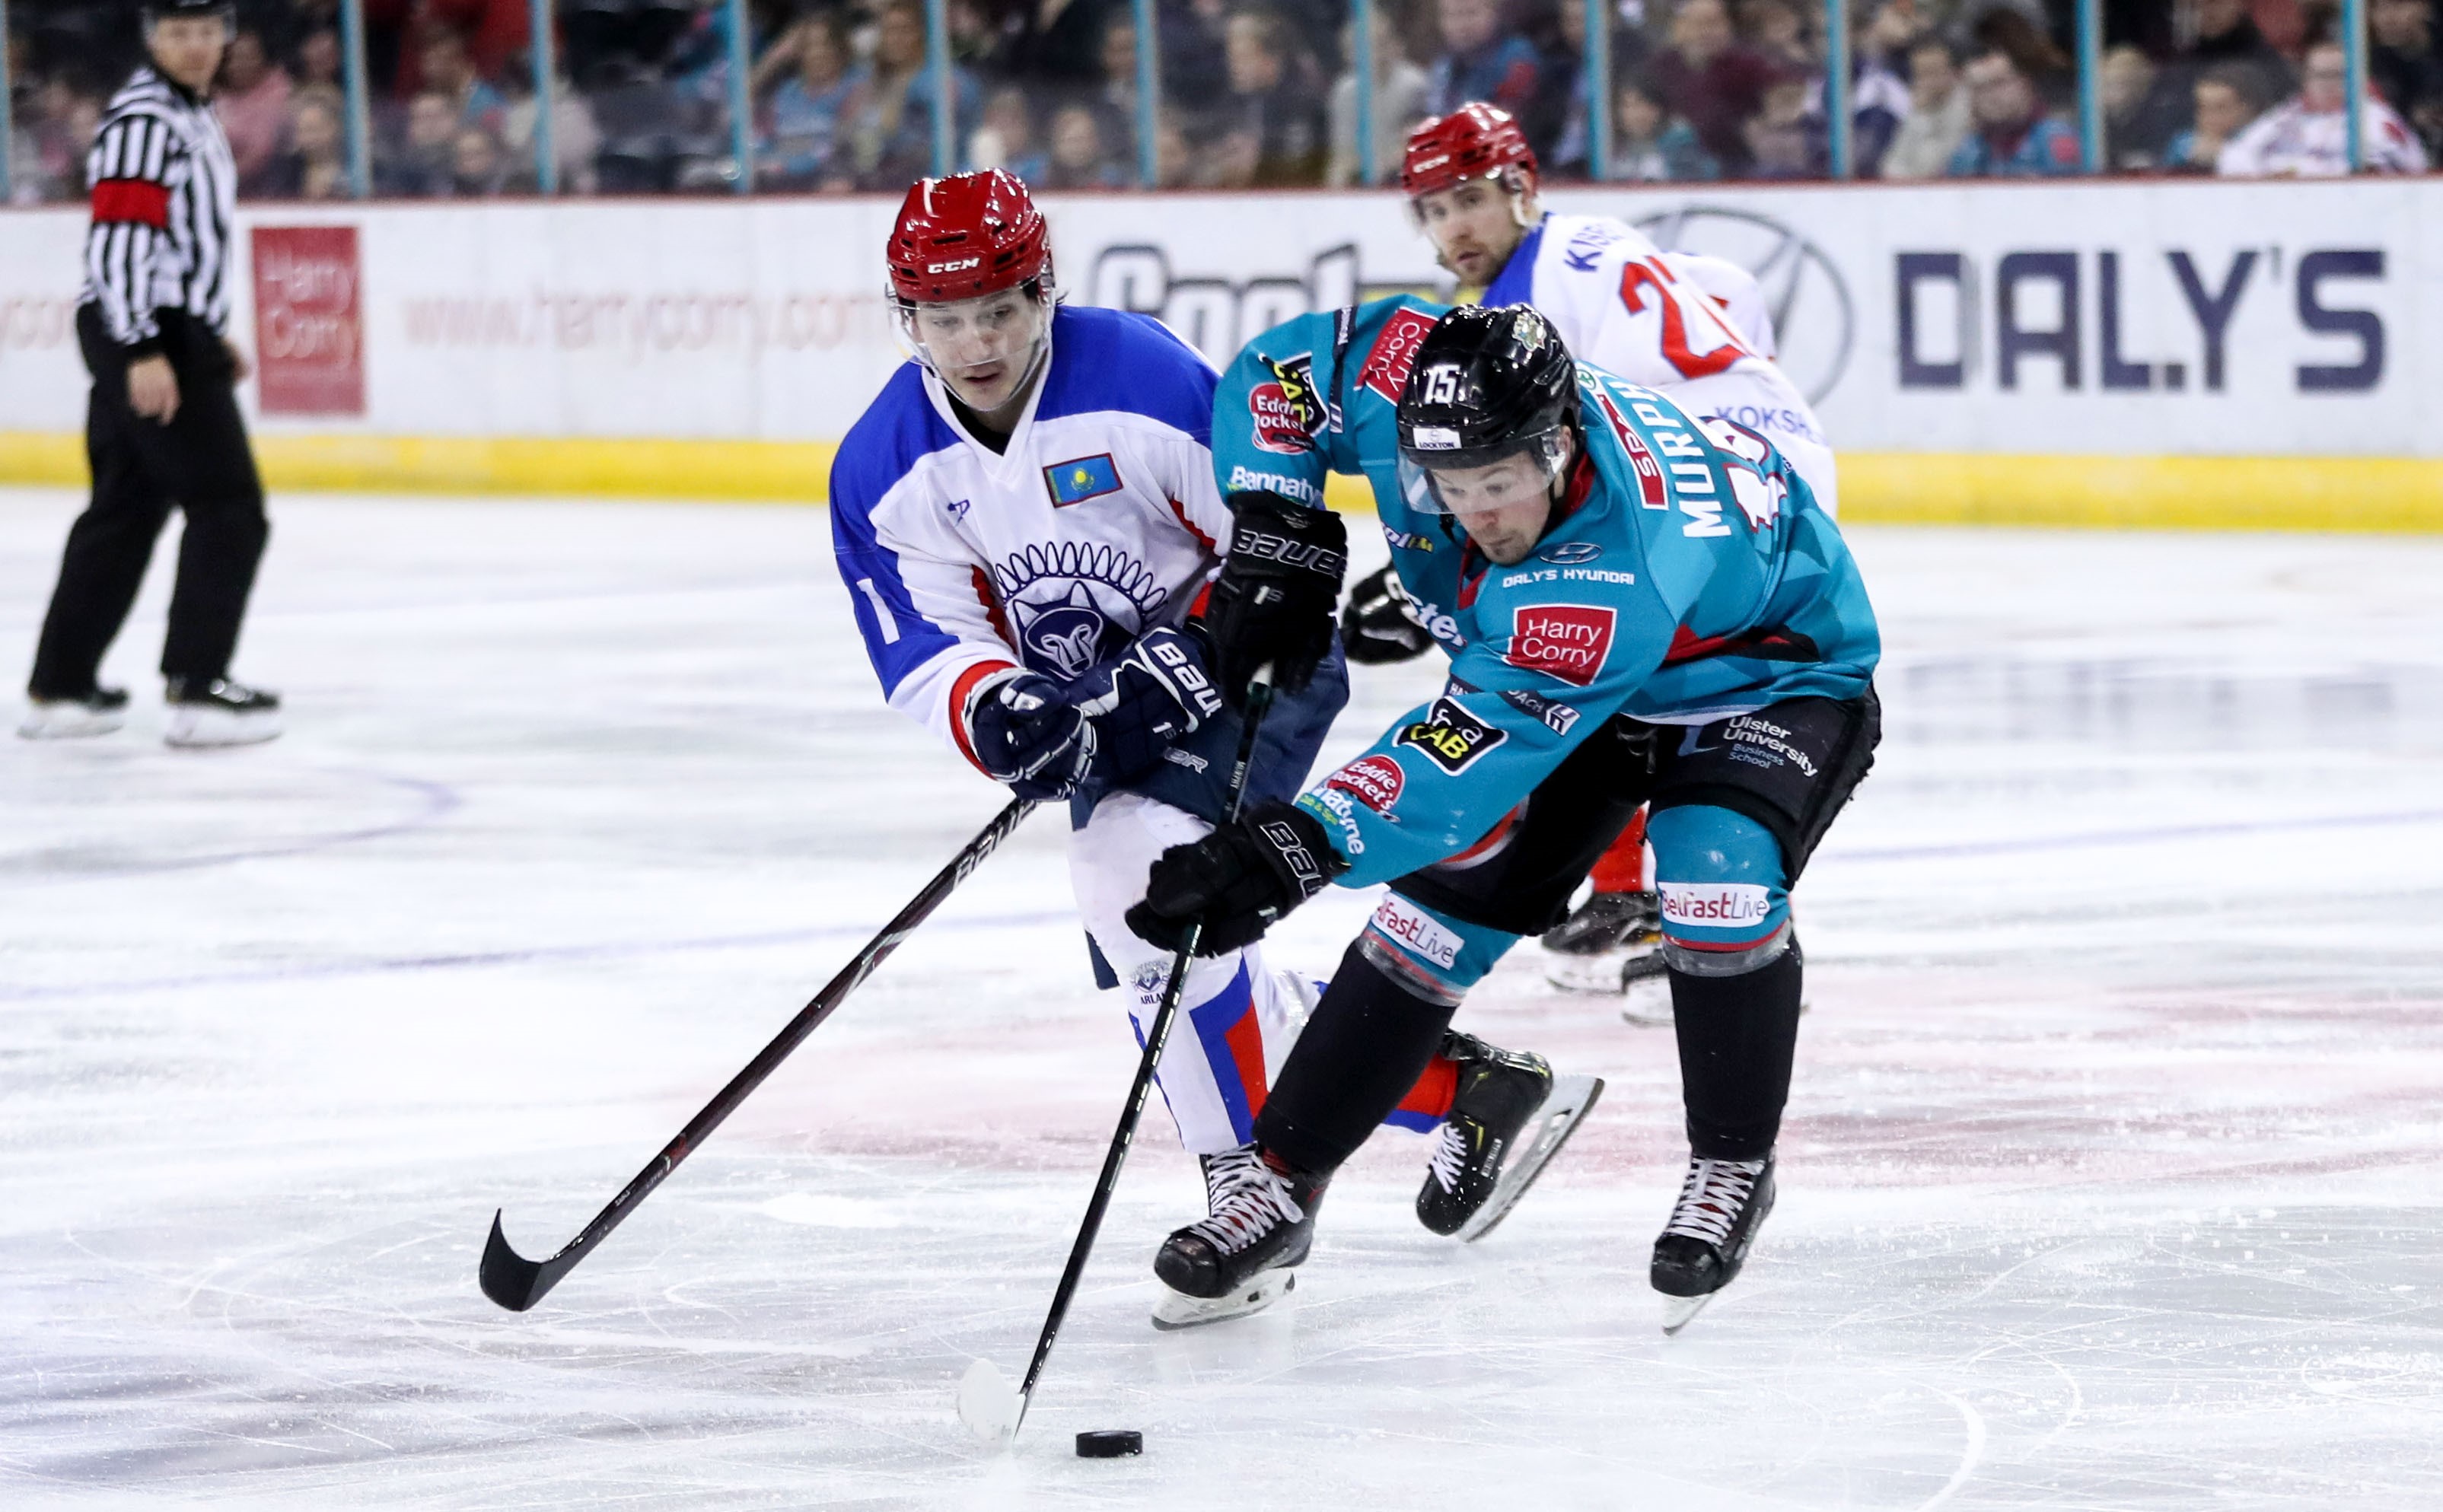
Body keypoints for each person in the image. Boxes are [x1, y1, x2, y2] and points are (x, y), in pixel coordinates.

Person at [828, 171, 1596, 1330]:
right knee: (1170, 954)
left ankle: (1254, 1190)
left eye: (1000, 308)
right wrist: (1000, 710)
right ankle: (1460, 1086)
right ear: (907, 318)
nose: (977, 343)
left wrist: (1186, 664)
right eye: (945, 317)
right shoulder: (883, 462)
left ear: (1044, 291)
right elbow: (926, 642)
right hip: (1104, 706)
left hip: (1253, 666)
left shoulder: (1136, 376)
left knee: (1133, 882)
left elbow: (1276, 542)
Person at [1135, 301, 1881, 1331]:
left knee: (1714, 866)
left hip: (1767, 670)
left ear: (1559, 441)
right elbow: (1283, 371)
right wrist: (1278, 522)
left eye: (1500, 485)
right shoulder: (1406, 384)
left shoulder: (1619, 560)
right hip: (1600, 674)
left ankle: (1731, 1164)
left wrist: (1299, 845)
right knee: (1432, 915)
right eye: (1453, 488)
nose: (1479, 512)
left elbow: (1477, 742)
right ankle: (1282, 1177)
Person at [1374, 103, 1838, 995]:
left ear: (1522, 187)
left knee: (1600, 654)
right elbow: (1729, 286)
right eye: (1432, 210)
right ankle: (1641, 895)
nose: (1454, 227)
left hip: (1721, 485)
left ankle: (1698, 912)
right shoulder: (1580, 250)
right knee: (1617, 665)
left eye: (1469, 199)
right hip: (1762, 463)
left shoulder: (1533, 297)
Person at [21, 0, 279, 746]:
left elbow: (173, 244)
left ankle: (62, 688)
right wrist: (142, 347)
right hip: (144, 327)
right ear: (152, 38)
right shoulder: (146, 118)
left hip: (161, 324)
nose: (196, 46)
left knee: (127, 508)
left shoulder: (188, 112)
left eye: (207, 31)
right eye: (178, 33)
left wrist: (207, 329)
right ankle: (198, 689)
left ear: (225, 35)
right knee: (228, 505)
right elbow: (121, 240)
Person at [2217, 38, 2430, 176]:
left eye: (2338, 75)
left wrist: (2302, 170)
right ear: (2306, 79)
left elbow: (2395, 166)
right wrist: (2269, 173)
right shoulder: (2284, 117)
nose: (2329, 84)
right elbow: (2233, 157)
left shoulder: (2374, 118)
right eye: (2320, 75)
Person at [1945, 49, 2079, 177]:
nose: (1991, 96)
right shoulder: (1968, 150)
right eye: (1979, 88)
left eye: (1999, 84)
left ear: (2024, 84)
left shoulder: (2054, 139)